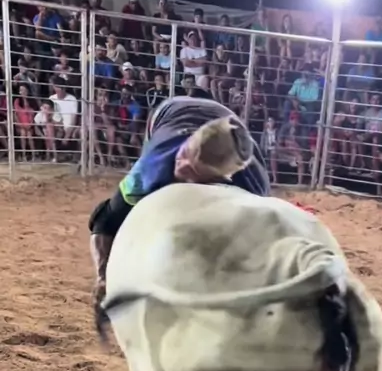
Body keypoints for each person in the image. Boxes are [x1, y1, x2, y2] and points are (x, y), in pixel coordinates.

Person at [88, 96, 270, 316]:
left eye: (193, 172)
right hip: (169, 113)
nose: (181, 167)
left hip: (232, 136)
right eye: (184, 154)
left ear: (222, 178)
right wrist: (103, 277)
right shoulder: (153, 169)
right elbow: (106, 221)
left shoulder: (251, 190)